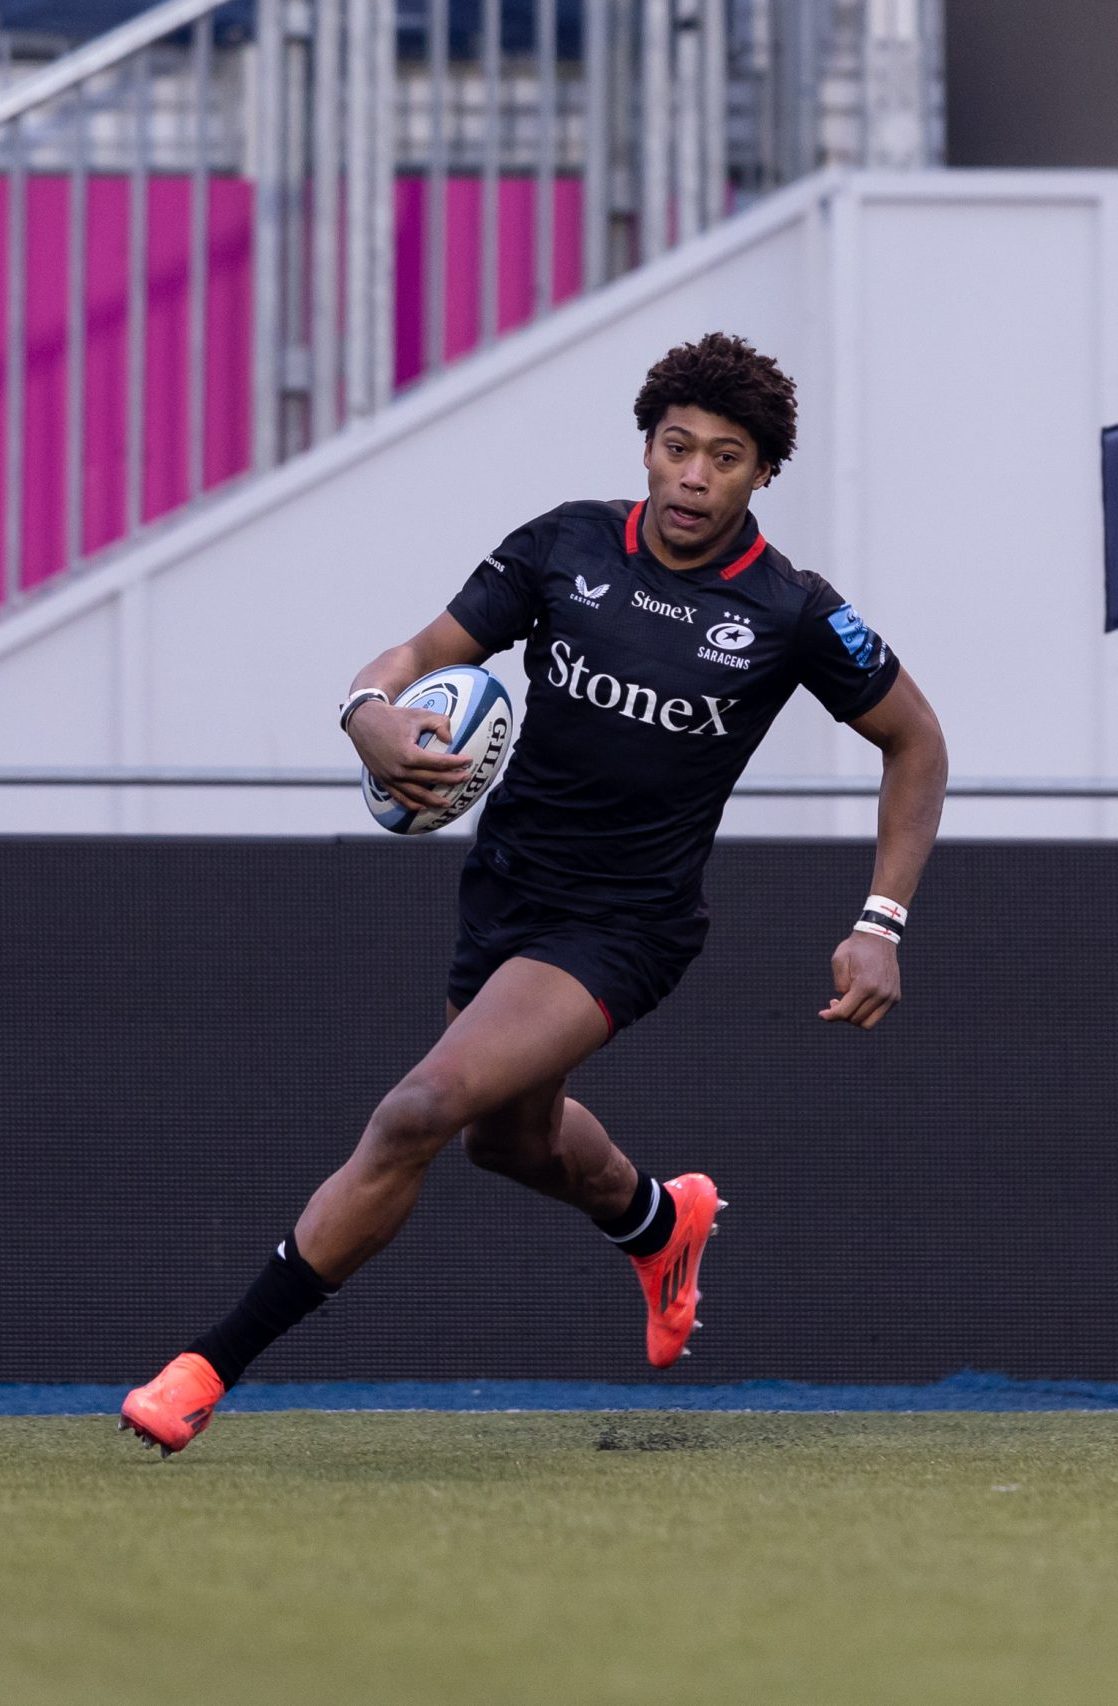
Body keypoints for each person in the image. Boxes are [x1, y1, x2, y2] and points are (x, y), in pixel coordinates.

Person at [120, 331, 948, 1456]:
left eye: (725, 456)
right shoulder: (562, 544)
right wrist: (366, 717)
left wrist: (878, 922)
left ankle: (205, 1366)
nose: (694, 476)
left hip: (627, 924)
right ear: (647, 449)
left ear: (761, 476)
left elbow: (916, 742)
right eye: (676, 447)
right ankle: (660, 1221)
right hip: (505, 898)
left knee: (417, 1109)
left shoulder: (791, 611)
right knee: (506, 1141)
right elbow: (410, 656)